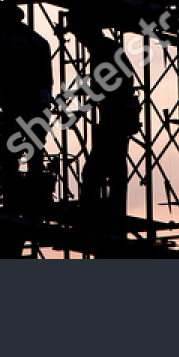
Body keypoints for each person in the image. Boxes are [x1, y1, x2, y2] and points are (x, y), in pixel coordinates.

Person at [68, 12, 140, 224]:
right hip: (118, 115)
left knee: (94, 171)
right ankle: (111, 210)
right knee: (113, 167)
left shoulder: (103, 50)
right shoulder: (109, 48)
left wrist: (81, 108)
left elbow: (103, 87)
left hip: (115, 117)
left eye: (79, 34)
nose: (79, 40)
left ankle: (93, 213)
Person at [0, 2, 53, 202]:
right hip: (38, 105)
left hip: (15, 104)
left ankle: (12, 192)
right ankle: (35, 189)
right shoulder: (40, 41)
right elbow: (47, 78)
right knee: (35, 147)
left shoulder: (4, 36)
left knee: (10, 150)